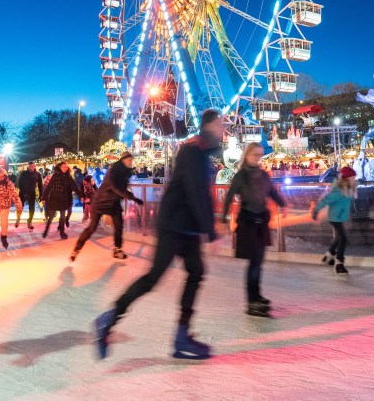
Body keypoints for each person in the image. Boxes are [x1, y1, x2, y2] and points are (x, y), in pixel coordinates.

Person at [94, 109, 223, 360]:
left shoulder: (201, 152)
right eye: (221, 125)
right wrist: (211, 231)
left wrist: (207, 228)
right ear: (210, 125)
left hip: (186, 227)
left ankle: (182, 335)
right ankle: (109, 319)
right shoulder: (193, 151)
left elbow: (202, 195)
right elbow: (196, 192)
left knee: (195, 273)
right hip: (175, 226)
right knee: (153, 278)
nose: (224, 129)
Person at [222, 142, 286, 317]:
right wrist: (224, 217)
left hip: (261, 222)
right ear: (247, 155)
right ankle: (251, 300)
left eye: (259, 155)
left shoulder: (262, 174)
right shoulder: (241, 176)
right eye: (254, 154)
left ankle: (256, 295)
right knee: (254, 263)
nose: (257, 158)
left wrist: (283, 204)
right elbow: (229, 196)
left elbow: (271, 191)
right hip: (248, 222)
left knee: (258, 262)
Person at [71, 151, 143, 262]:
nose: (131, 162)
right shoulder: (114, 171)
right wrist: (133, 198)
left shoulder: (124, 172)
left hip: (113, 203)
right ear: (124, 160)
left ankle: (117, 250)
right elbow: (116, 188)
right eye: (130, 160)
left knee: (119, 226)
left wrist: (130, 196)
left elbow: (121, 188)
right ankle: (76, 249)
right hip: (100, 202)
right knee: (92, 228)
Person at [311, 166, 357, 277]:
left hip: (340, 217)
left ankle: (329, 255)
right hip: (334, 218)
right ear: (345, 179)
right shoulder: (338, 190)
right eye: (352, 178)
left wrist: (361, 180)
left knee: (338, 237)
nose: (354, 180)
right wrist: (315, 211)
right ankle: (339, 263)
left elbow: (356, 183)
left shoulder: (349, 186)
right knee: (343, 238)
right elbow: (326, 200)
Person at [41, 161, 81, 240]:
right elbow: (49, 187)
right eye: (63, 167)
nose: (65, 168)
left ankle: (62, 233)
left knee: (62, 217)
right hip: (54, 198)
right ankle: (46, 230)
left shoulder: (68, 176)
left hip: (63, 198)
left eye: (66, 167)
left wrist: (81, 195)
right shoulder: (55, 175)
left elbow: (74, 187)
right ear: (59, 167)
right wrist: (44, 198)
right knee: (51, 216)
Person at [15, 162, 43, 230]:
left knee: (32, 208)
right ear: (28, 166)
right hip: (23, 193)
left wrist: (41, 195)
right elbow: (20, 184)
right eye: (30, 166)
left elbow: (40, 185)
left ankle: (30, 221)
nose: (31, 168)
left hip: (32, 193)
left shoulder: (38, 174)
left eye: (32, 166)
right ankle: (18, 219)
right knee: (20, 207)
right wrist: (24, 193)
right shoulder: (23, 173)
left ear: (35, 166)